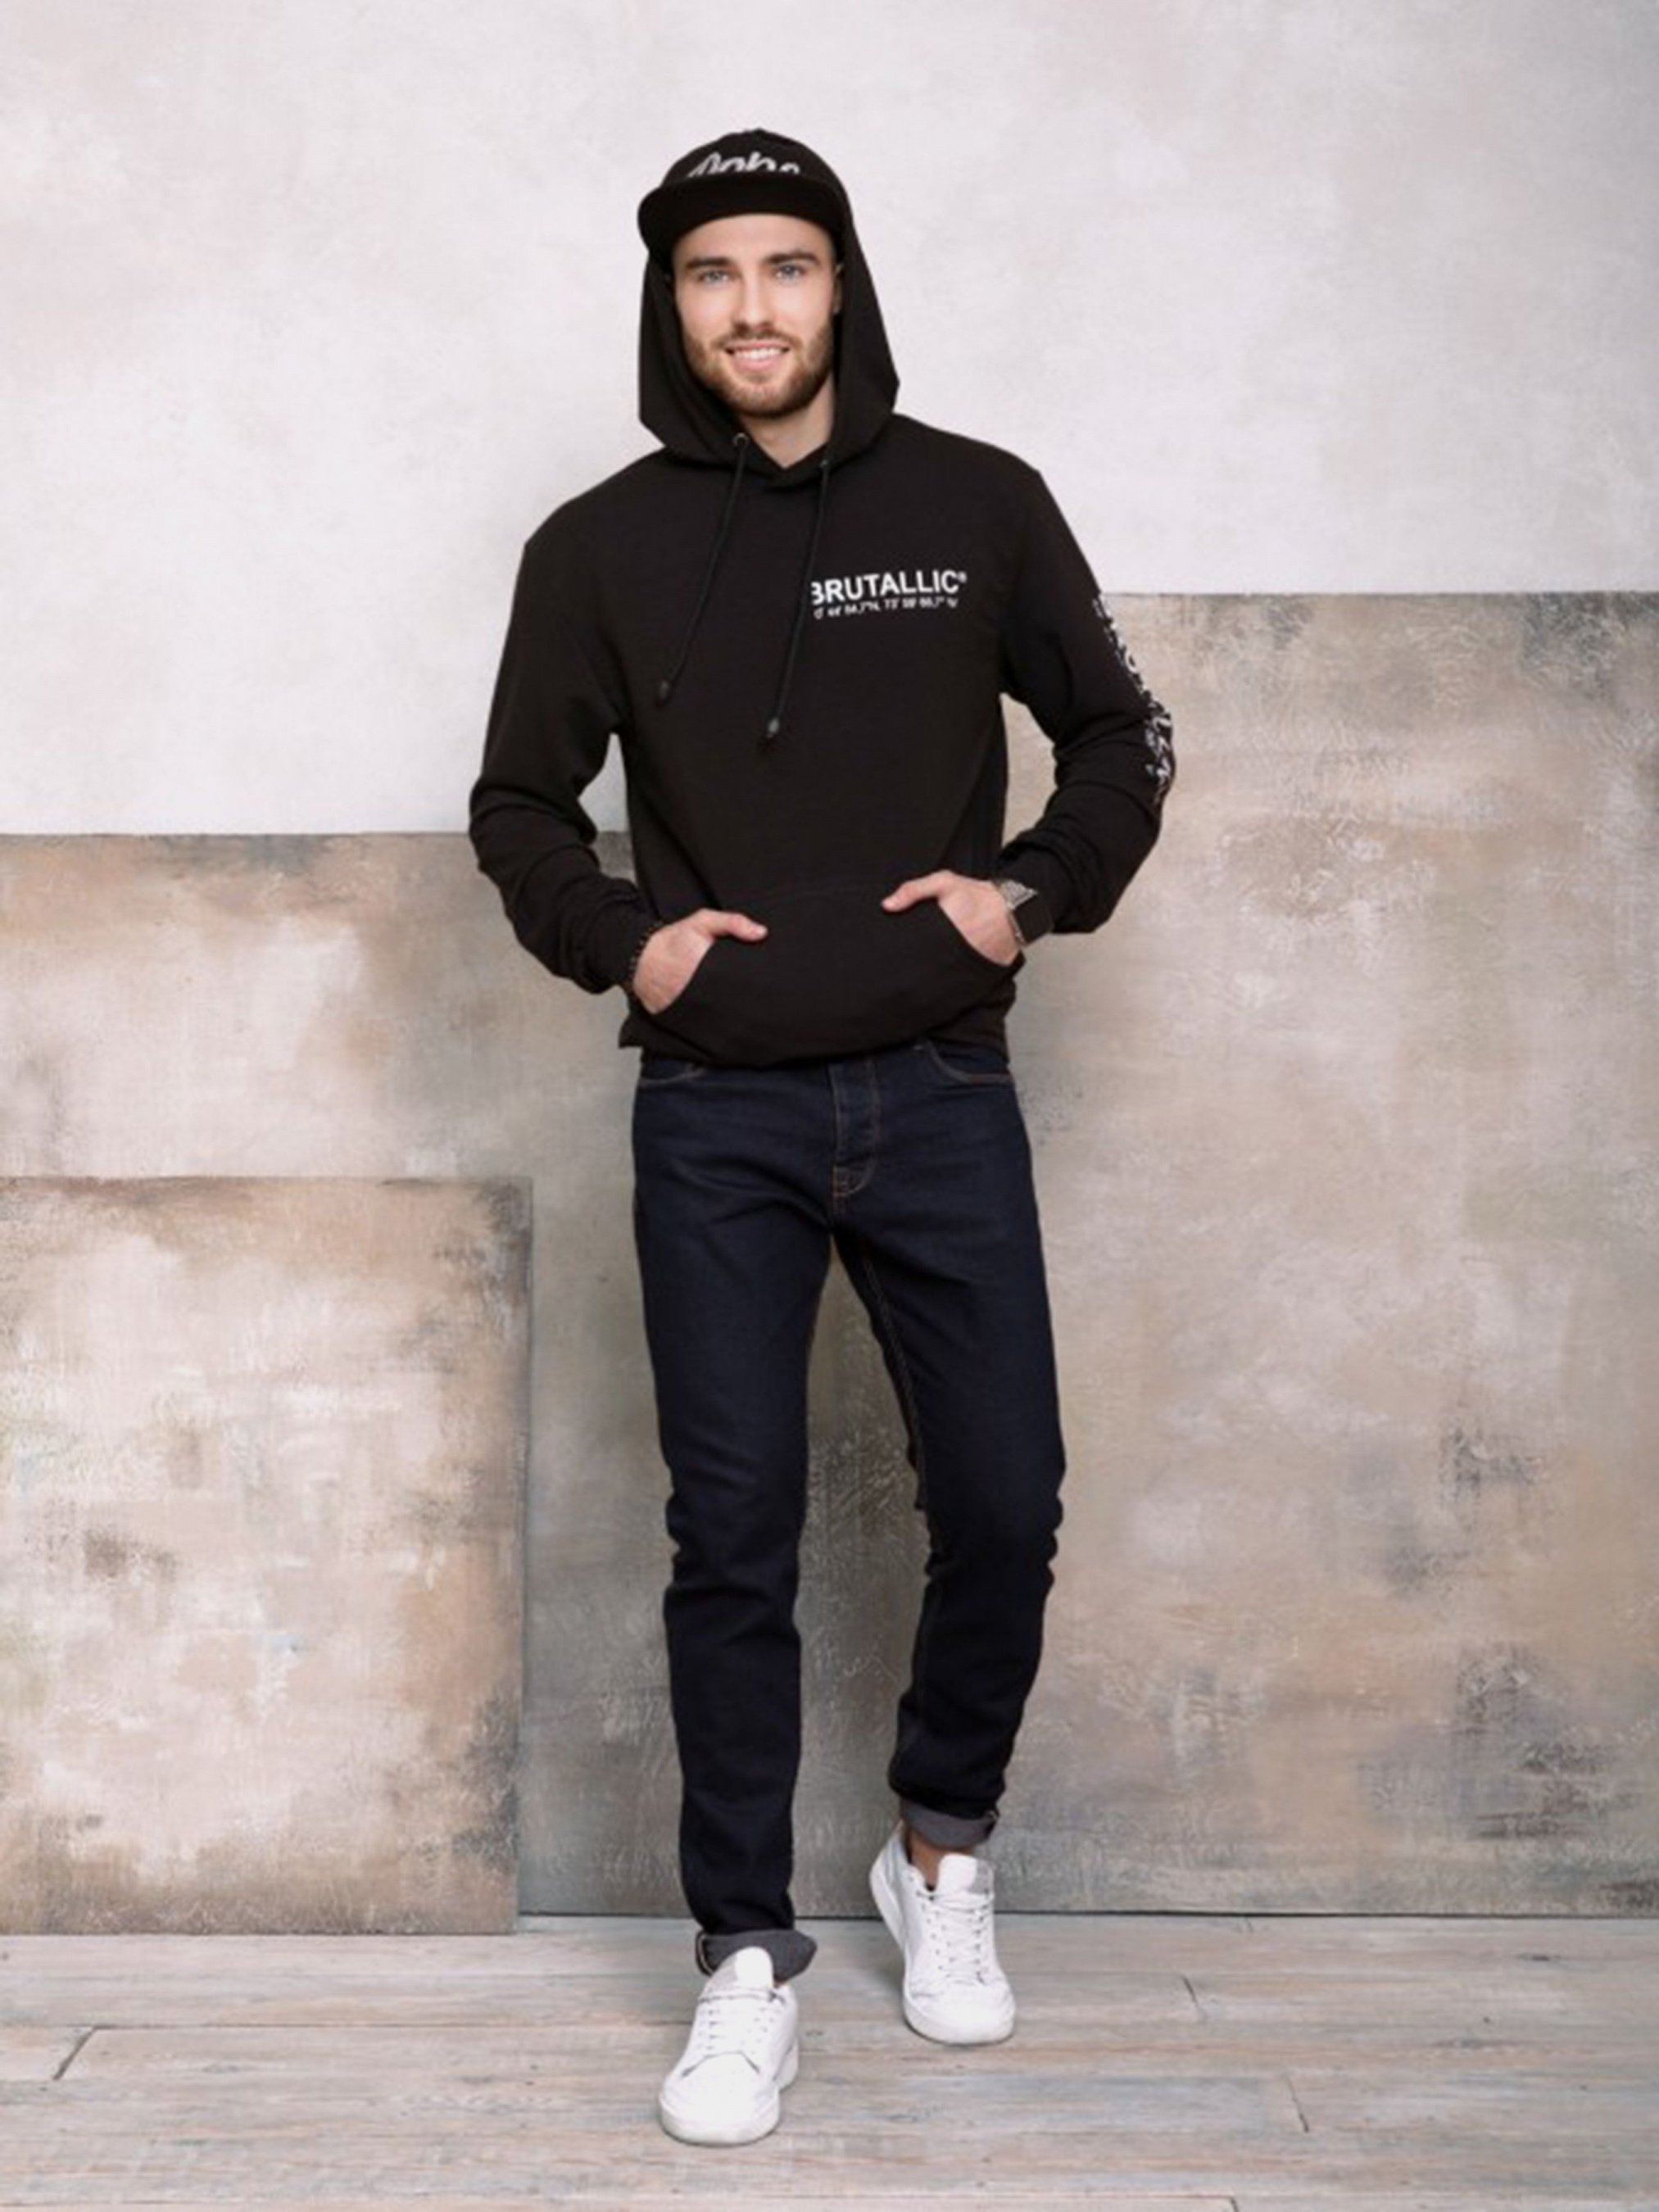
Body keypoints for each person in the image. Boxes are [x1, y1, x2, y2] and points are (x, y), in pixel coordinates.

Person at [468, 126, 1175, 2148]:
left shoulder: (974, 503)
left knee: (1007, 1496)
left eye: (784, 266)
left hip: (937, 1085)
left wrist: (1022, 891)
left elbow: (1122, 734)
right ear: (670, 305)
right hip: (715, 1109)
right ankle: (741, 1959)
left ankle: (938, 1846)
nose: (750, 307)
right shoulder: (594, 547)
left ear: (840, 284)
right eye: (711, 274)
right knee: (733, 1532)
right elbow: (515, 808)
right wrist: (631, 943)